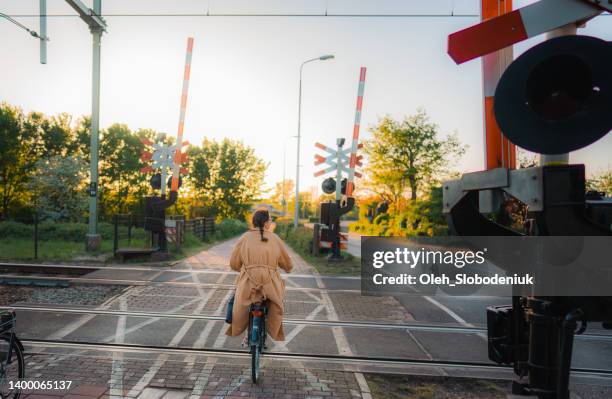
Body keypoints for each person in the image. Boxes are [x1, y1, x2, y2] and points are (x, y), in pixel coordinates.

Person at [225, 209, 293, 342]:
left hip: (249, 282)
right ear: (266, 223)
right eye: (270, 221)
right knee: (277, 301)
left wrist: (243, 269)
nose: (271, 223)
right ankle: (269, 327)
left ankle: (245, 332)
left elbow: (234, 263)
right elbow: (287, 263)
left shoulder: (244, 238)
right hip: (270, 283)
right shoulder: (275, 238)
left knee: (237, 297)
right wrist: (287, 268)